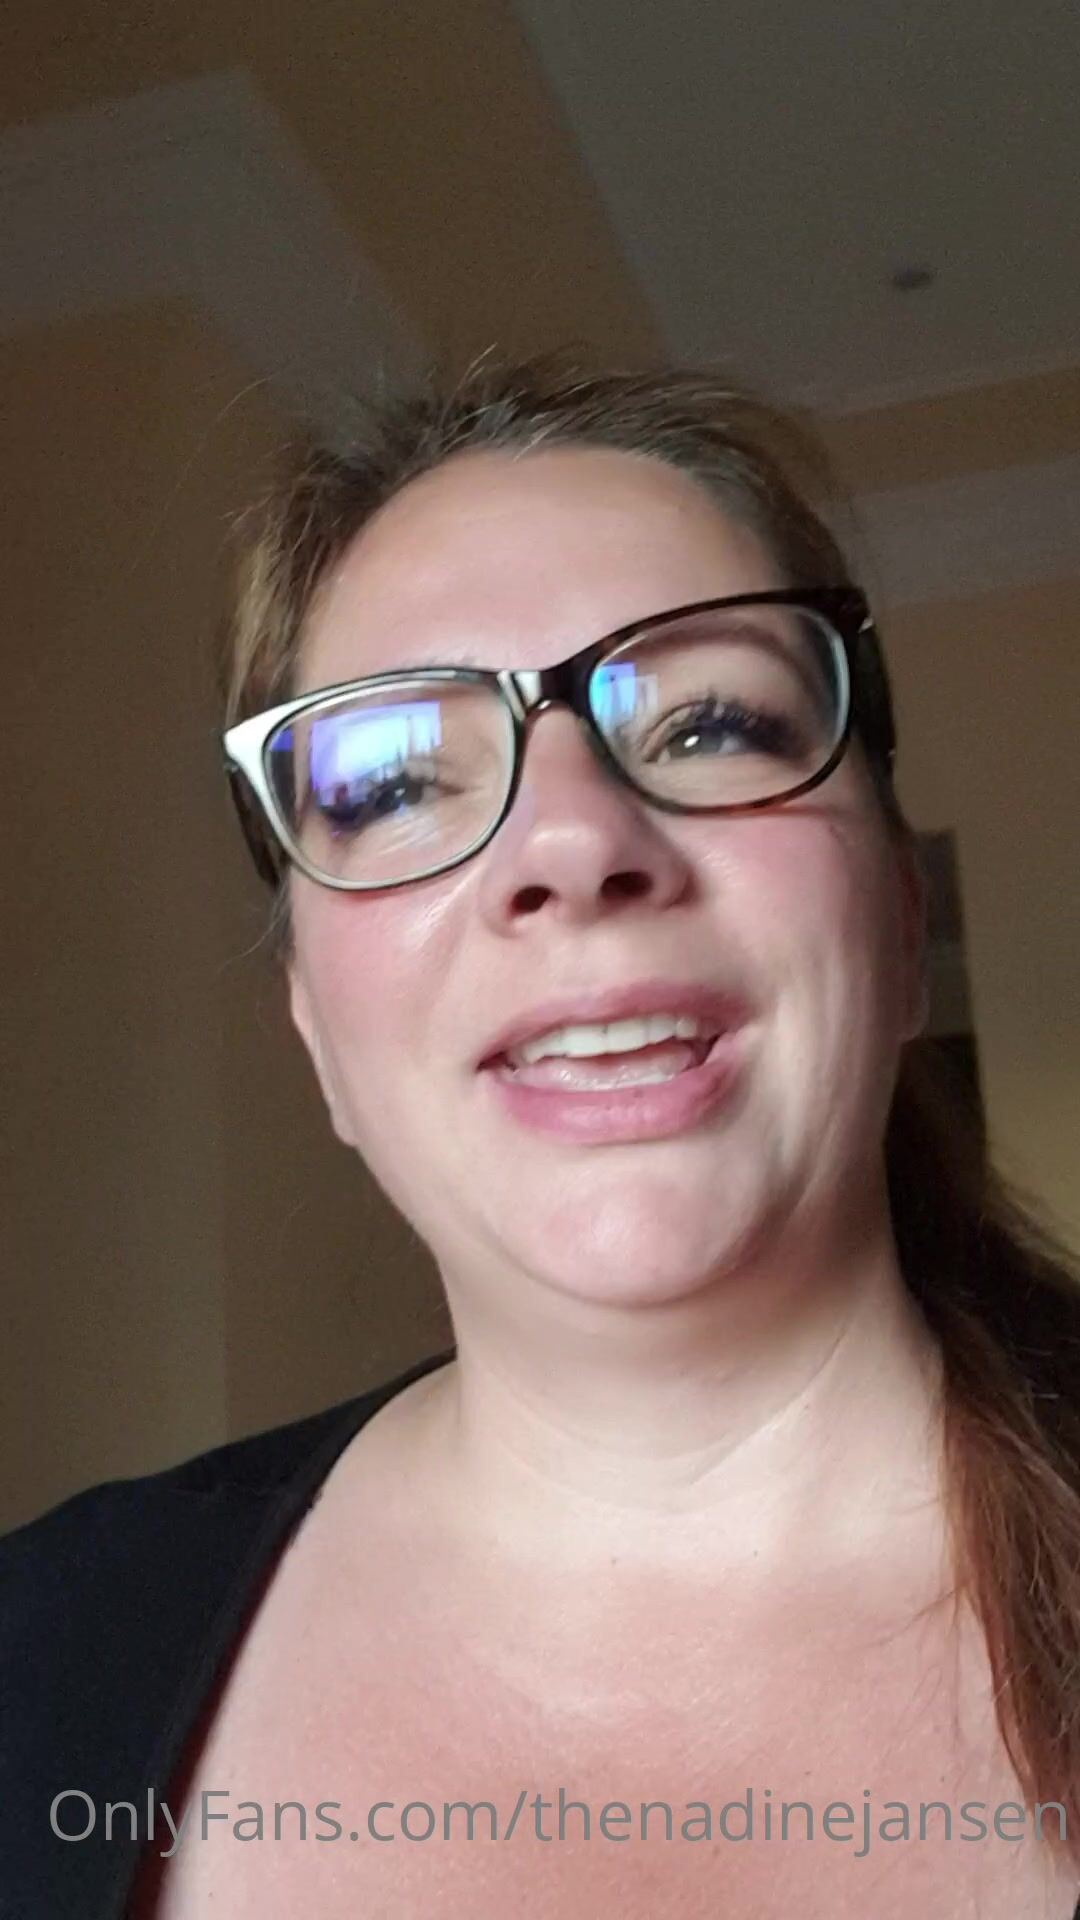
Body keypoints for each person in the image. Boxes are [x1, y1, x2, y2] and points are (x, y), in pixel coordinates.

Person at [3, 357, 1079, 1920]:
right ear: (319, 1039)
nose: (572, 839)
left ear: (903, 929)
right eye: (392, 781)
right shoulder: (36, 1661)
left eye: (712, 725)